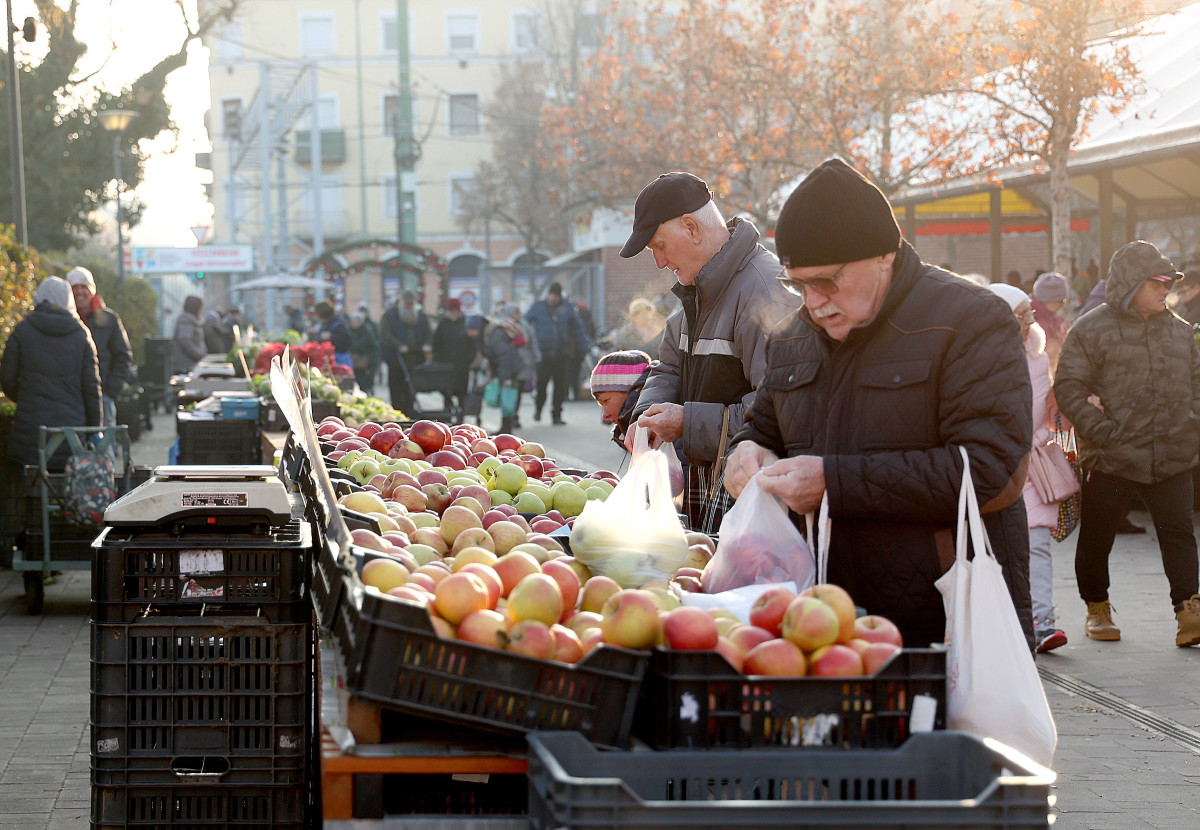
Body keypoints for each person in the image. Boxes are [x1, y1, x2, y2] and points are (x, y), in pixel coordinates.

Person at [723, 158, 1034, 650]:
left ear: (884, 255)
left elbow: (990, 468)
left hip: (943, 621)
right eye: (798, 284)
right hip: (821, 621)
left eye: (828, 281)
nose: (814, 301)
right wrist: (745, 452)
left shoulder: (970, 320)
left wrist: (834, 483)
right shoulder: (794, 334)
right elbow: (764, 424)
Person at [623, 171, 800, 533]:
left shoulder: (765, 294)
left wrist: (686, 422)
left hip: (754, 513)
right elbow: (669, 368)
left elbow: (784, 410)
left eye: (659, 246)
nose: (659, 262)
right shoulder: (698, 290)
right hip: (709, 499)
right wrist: (645, 416)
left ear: (692, 228)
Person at [1054, 240, 1200, 648]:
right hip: (1111, 457)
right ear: (1132, 284)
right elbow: (1068, 387)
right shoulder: (1091, 329)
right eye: (1157, 282)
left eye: (1169, 283)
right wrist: (1102, 432)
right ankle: (1096, 606)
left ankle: (1188, 610)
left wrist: (1192, 426)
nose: (1165, 289)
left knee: (1178, 533)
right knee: (1098, 536)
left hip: (1172, 455)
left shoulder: (1181, 331)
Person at [991, 283, 1067, 654]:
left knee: (1037, 543)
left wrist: (1048, 427)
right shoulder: (977, 359)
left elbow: (1048, 405)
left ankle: (1044, 622)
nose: (1028, 321)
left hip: (1033, 463)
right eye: (1020, 314)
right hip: (994, 465)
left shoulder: (1039, 355)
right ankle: (1004, 621)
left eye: (1029, 313)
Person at [0, 276, 102, 471]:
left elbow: (7, 378)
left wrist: (26, 398)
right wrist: (94, 430)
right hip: (72, 434)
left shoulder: (22, 331)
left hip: (31, 431)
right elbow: (92, 388)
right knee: (69, 484)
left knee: (31, 483)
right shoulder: (81, 335)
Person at [66, 267, 132, 428]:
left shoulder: (110, 319)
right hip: (70, 400)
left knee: (105, 442)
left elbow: (123, 356)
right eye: (74, 287)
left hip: (103, 398)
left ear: (92, 290)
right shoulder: (63, 320)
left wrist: (110, 392)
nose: (79, 292)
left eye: (83, 286)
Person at [524, 282, 589, 425]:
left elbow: (578, 328)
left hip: (562, 354)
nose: (553, 298)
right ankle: (538, 409)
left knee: (560, 386)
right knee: (541, 384)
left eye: (556, 296)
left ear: (560, 297)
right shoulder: (538, 307)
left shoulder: (567, 308)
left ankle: (556, 415)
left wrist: (583, 346)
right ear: (548, 295)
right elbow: (525, 323)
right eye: (551, 295)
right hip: (543, 354)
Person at [589, 350, 656, 451]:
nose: (604, 415)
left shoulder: (661, 430)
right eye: (601, 404)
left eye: (606, 401)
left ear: (632, 393)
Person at [484, 304, 536, 435]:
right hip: (513, 368)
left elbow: (506, 354)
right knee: (510, 395)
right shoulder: (504, 328)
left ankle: (509, 424)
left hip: (515, 368)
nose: (519, 316)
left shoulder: (516, 327)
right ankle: (508, 424)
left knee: (511, 395)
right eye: (516, 313)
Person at [380, 290, 431, 415]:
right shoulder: (390, 315)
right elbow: (385, 334)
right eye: (406, 303)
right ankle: (397, 411)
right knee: (396, 387)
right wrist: (398, 345)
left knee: (411, 387)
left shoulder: (420, 315)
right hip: (396, 359)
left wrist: (427, 344)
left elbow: (428, 332)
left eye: (411, 304)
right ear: (401, 302)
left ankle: (410, 409)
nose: (409, 306)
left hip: (415, 358)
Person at [432, 298, 477, 413]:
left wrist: (469, 360)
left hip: (462, 365)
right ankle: (448, 412)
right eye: (452, 312)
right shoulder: (443, 324)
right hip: (445, 366)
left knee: (462, 392)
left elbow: (472, 344)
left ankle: (461, 414)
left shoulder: (465, 324)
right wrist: (437, 361)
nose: (454, 314)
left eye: (456, 311)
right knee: (445, 390)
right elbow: (436, 344)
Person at [1030, 272, 1071, 375]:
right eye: (1062, 300)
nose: (1063, 305)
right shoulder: (1030, 324)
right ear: (1048, 299)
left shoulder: (1059, 321)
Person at [172, 295, 207, 374]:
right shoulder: (186, 320)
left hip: (190, 364)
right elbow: (184, 339)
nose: (202, 311)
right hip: (186, 366)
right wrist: (198, 355)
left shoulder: (192, 320)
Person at [349, 312, 378, 394]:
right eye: (353, 322)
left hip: (364, 366)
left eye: (356, 322)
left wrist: (371, 363)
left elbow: (373, 348)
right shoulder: (349, 332)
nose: (354, 324)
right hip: (352, 364)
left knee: (364, 387)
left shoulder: (367, 333)